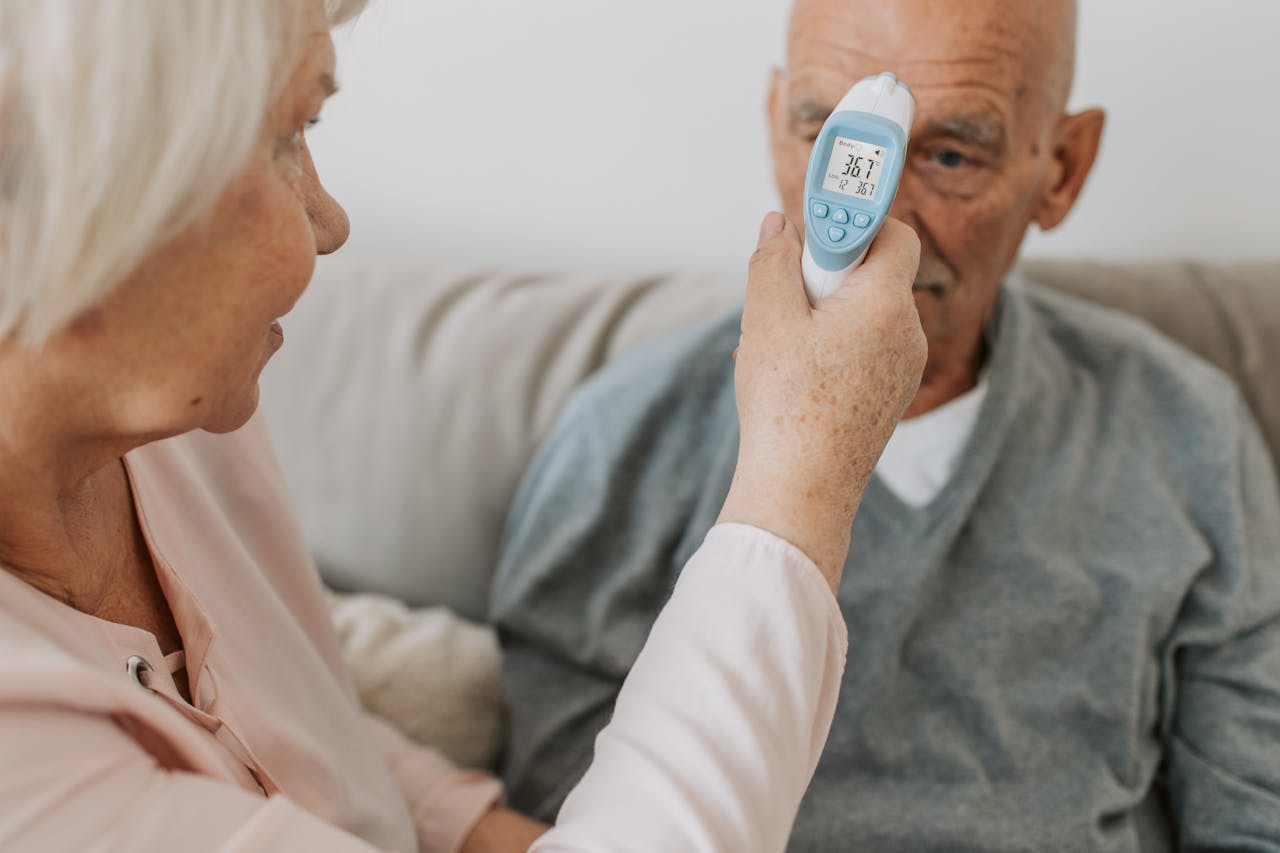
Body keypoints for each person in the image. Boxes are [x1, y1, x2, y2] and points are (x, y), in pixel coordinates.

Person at [0, 1, 930, 851]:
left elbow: (286, 718)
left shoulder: (182, 402)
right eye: (290, 135)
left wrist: (467, 821)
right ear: (77, 212)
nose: (329, 220)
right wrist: (799, 475)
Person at [491, 0, 1280, 849]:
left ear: (1062, 168)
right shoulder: (623, 436)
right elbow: (564, 816)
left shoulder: (1185, 428)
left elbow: (1253, 810)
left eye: (948, 154)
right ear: (775, 125)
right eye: (832, 137)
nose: (880, 228)